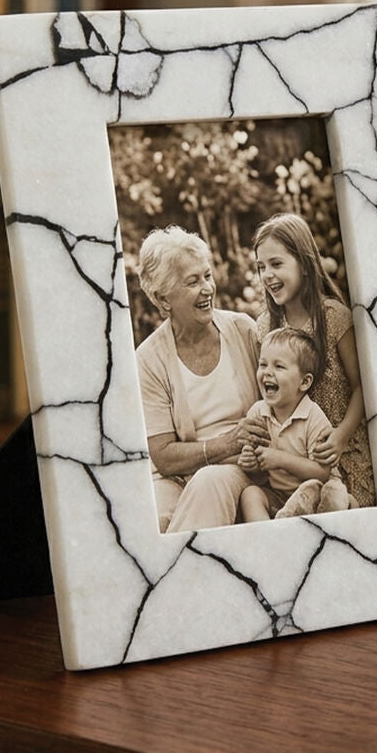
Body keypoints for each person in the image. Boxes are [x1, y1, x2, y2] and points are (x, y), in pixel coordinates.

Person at [135, 225, 260, 532]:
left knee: (208, 481)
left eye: (207, 275)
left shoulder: (243, 329)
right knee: (147, 517)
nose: (207, 288)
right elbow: (162, 455)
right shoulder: (149, 359)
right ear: (163, 299)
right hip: (176, 476)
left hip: (241, 468)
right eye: (193, 281)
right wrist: (224, 443)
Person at [253, 212, 376, 508]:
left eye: (276, 264)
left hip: (340, 452)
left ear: (305, 265)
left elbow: (363, 387)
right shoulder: (264, 327)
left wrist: (341, 436)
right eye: (261, 267)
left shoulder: (334, 318)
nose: (267, 275)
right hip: (292, 462)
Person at [238, 328, 349, 521]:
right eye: (263, 364)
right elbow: (258, 472)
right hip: (280, 496)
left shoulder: (313, 417)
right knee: (250, 494)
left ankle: (311, 517)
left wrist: (280, 459)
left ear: (304, 382)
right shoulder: (257, 413)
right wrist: (251, 463)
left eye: (279, 367)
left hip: (317, 493)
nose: (267, 373)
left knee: (344, 500)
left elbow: (322, 473)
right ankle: (268, 535)